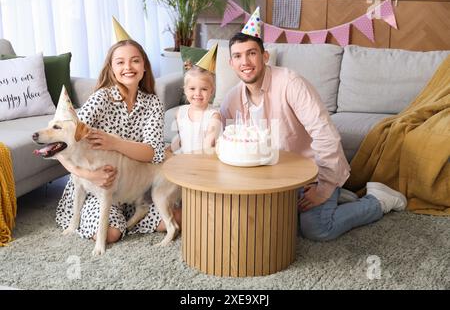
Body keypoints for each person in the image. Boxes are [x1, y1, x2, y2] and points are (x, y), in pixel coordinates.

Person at [220, 30, 407, 242]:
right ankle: (338, 198)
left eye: (251, 53)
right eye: (238, 56)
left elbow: (325, 134)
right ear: (231, 63)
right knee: (262, 225)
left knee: (316, 228)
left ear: (264, 56)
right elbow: (226, 141)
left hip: (311, 174)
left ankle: (378, 200)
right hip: (269, 179)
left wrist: (324, 188)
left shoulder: (291, 83)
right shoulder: (231, 98)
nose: (245, 61)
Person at [56, 39, 181, 243]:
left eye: (135, 61)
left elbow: (153, 153)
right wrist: (88, 174)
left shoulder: (153, 104)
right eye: (120, 62)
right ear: (112, 69)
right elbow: (63, 143)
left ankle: (127, 219)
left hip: (134, 185)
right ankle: (117, 222)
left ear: (144, 68)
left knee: (179, 218)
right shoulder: (101, 98)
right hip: (97, 187)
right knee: (109, 234)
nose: (128, 67)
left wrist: (114, 143)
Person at [171, 46, 222, 154]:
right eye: (192, 88)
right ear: (185, 90)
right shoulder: (180, 113)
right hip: (185, 161)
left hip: (204, 163)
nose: (197, 93)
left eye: (204, 89)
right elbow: (180, 141)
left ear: (211, 91)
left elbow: (208, 147)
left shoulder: (213, 116)